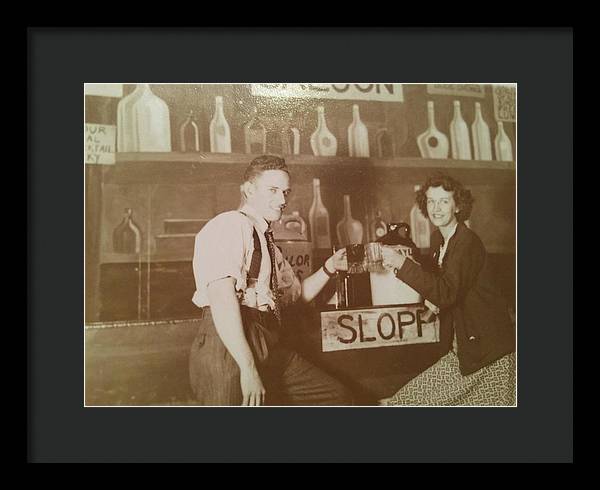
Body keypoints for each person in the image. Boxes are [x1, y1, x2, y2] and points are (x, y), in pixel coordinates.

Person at [189, 155, 353, 406]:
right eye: (273, 190)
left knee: (335, 396)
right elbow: (221, 297)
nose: (282, 200)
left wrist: (330, 267)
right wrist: (248, 367)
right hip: (228, 345)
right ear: (248, 190)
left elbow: (295, 297)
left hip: (265, 339)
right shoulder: (230, 224)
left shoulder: (268, 243)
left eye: (285, 192)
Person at [379, 172, 516, 406]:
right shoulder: (438, 241)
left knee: (403, 403)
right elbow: (448, 289)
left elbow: (446, 292)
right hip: (465, 351)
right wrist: (431, 303)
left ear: (457, 206)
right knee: (404, 401)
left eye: (444, 201)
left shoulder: (467, 241)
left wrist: (401, 264)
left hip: (491, 355)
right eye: (431, 201)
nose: (436, 208)